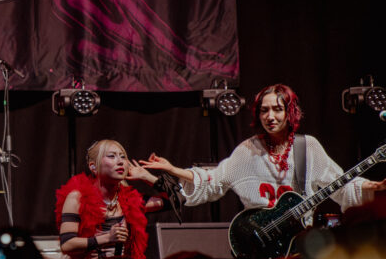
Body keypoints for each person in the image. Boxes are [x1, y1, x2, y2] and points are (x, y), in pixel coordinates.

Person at [144, 83, 384, 215]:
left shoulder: (307, 147)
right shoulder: (247, 151)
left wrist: (375, 187)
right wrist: (173, 169)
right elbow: (213, 181)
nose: (270, 116)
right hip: (259, 241)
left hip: (299, 244)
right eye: (264, 110)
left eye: (277, 109)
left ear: (289, 113)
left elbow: (340, 184)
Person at [55, 139, 177, 259]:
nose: (120, 161)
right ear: (93, 167)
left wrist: (147, 177)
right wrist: (106, 237)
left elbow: (178, 199)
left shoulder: (132, 200)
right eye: (112, 156)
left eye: (123, 156)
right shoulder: (77, 198)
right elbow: (67, 244)